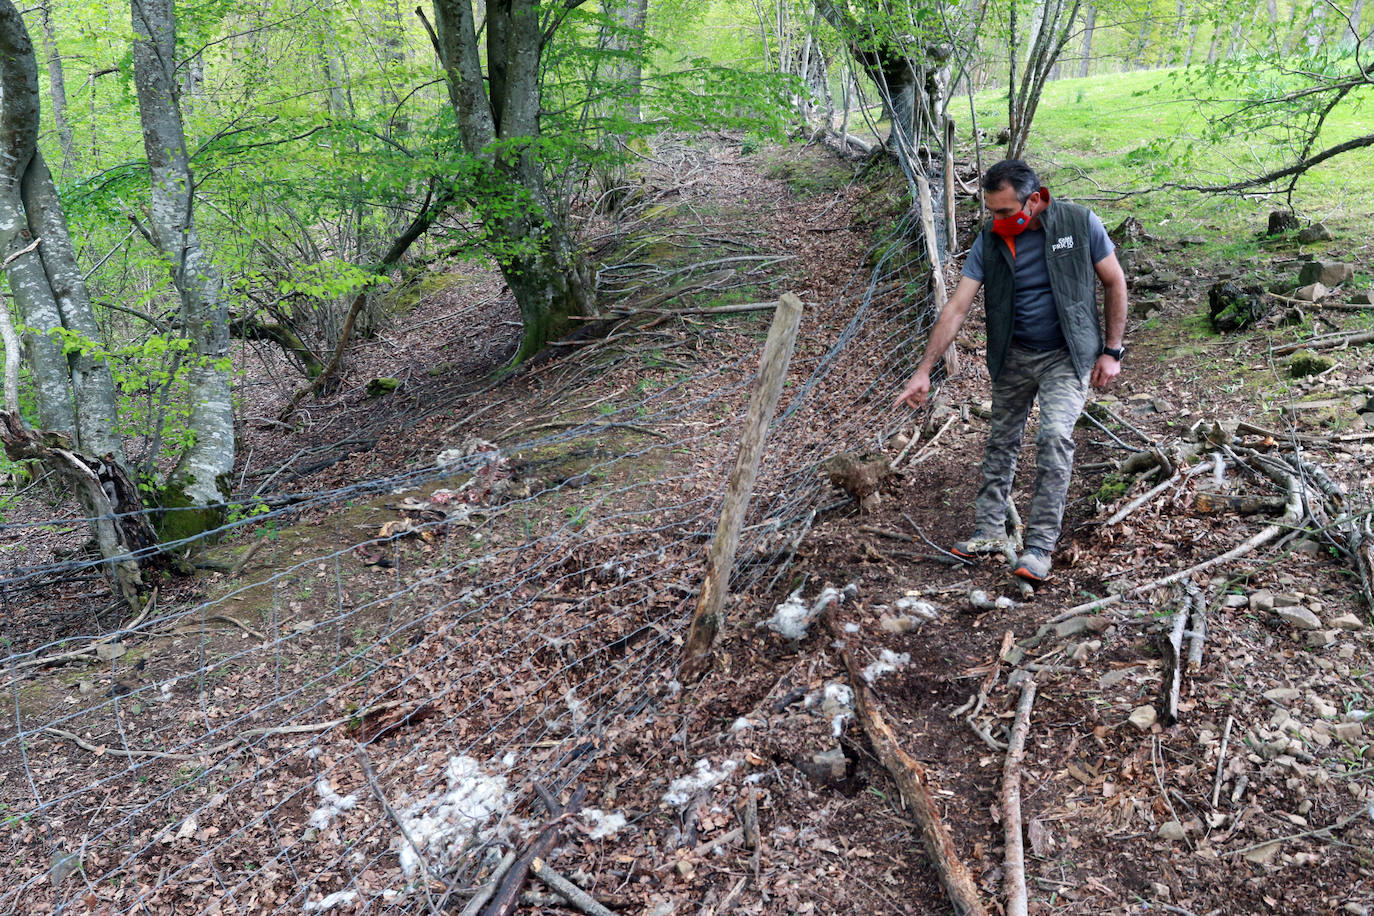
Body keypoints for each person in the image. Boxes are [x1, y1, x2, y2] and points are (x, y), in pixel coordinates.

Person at [893, 159, 1128, 583]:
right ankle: (987, 530)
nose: (997, 220)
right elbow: (958, 306)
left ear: (1034, 200)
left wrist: (1112, 350)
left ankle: (1038, 547)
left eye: (1005, 211)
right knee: (1001, 441)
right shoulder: (991, 239)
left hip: (1067, 354)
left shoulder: (1078, 223)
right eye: (992, 212)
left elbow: (1115, 281)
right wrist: (924, 369)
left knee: (1055, 436)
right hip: (1013, 354)